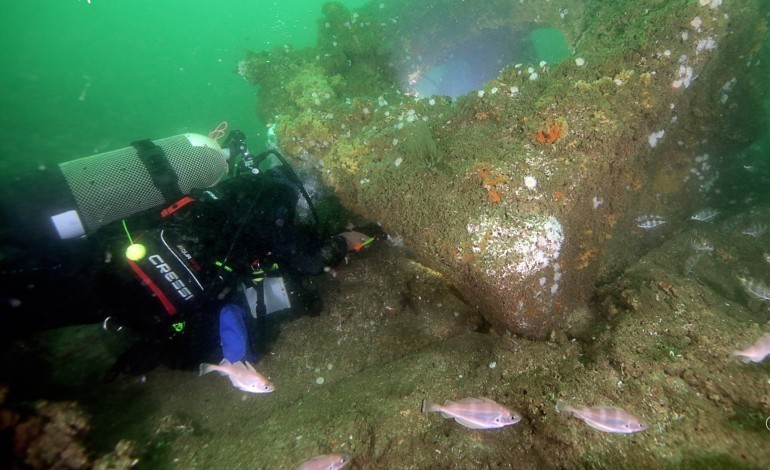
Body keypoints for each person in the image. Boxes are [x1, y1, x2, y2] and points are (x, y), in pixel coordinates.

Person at [0, 129, 374, 380]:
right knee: (32, 305)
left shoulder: (246, 188)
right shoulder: (277, 202)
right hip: (135, 289)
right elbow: (310, 261)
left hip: (117, 260)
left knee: (33, 290)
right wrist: (353, 237)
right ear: (302, 190)